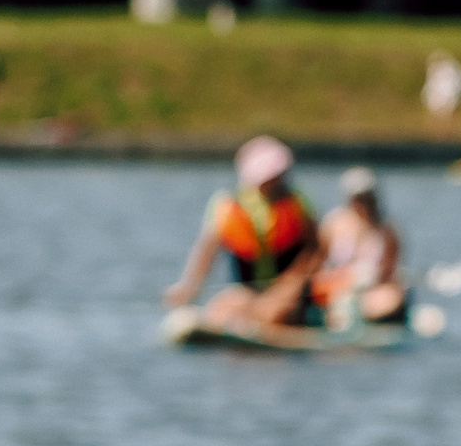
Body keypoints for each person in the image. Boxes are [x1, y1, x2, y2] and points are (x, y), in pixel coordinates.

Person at [163, 135, 323, 327]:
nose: (277, 180)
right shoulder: (227, 205)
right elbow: (207, 251)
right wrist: (189, 288)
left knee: (276, 313)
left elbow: (317, 249)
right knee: (221, 310)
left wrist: (291, 284)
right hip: (246, 290)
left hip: (291, 290)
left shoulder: (297, 202)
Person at [314, 167, 407, 327]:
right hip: (335, 286)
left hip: (372, 290)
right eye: (358, 198)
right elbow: (317, 262)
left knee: (391, 299)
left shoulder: (388, 230)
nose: (363, 203)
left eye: (367, 198)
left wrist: (371, 277)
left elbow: (390, 270)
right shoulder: (333, 223)